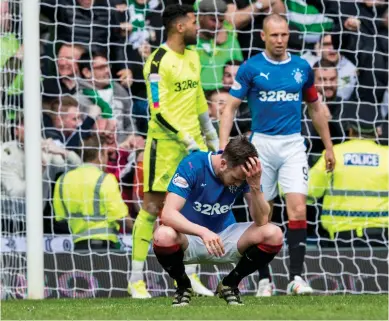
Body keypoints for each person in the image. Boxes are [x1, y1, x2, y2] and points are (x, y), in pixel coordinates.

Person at [219, 14, 335, 296]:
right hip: (262, 146)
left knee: (297, 208)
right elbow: (230, 107)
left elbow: (315, 107)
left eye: (284, 35)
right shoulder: (251, 68)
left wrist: (328, 145)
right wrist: (224, 149)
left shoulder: (302, 67)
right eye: (274, 36)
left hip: (293, 144)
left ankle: (296, 277)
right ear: (263, 36)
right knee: (262, 213)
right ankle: (264, 279)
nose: (280, 40)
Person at [128, 4, 219, 299]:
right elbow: (157, 111)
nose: (197, 27)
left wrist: (211, 136)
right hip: (164, 148)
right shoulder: (157, 62)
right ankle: (135, 279)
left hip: (195, 146)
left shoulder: (193, 56)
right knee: (153, 208)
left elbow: (198, 99)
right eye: (194, 22)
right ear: (180, 27)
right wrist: (185, 139)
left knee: (195, 209)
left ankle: (190, 278)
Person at [152, 136, 283, 306]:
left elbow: (262, 220)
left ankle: (230, 284)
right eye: (236, 178)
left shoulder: (245, 176)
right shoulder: (192, 165)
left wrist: (255, 186)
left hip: (224, 238)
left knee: (274, 233)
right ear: (223, 164)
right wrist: (203, 232)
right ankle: (183, 285)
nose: (238, 183)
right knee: (162, 235)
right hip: (189, 237)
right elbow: (168, 214)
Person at [308, 105, 388, 245]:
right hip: (382, 239)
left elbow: (308, 192)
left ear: (350, 131)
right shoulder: (387, 155)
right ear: (377, 131)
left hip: (340, 241)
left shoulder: (334, 154)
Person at [53, 134, 132, 250]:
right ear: (99, 155)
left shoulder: (62, 180)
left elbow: (60, 217)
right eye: (106, 154)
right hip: (106, 248)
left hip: (78, 247)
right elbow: (121, 217)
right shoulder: (105, 179)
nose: (108, 159)